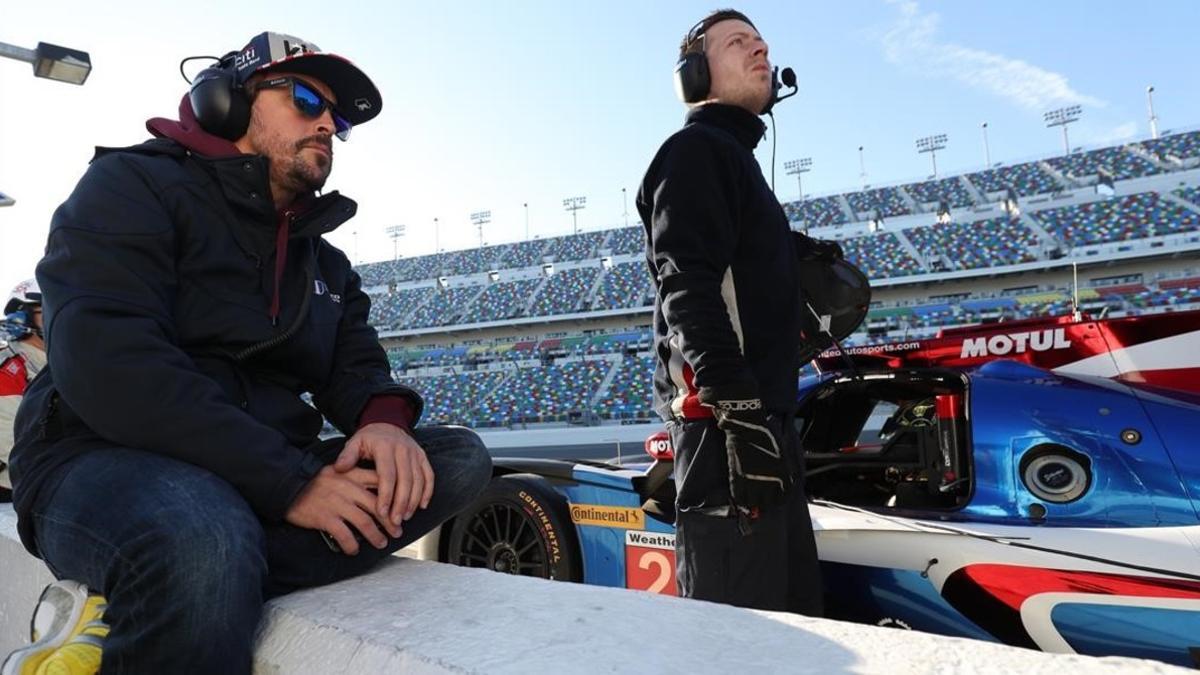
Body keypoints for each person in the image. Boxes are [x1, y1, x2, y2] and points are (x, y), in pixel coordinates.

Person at [4, 31, 491, 674]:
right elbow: (112, 365)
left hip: (249, 470)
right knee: (201, 535)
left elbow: (356, 365)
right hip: (98, 452)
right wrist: (290, 485)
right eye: (306, 97)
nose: (326, 123)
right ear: (225, 103)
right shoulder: (128, 185)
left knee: (453, 460)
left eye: (338, 119)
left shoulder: (326, 262)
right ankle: (181, 574)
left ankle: (147, 598)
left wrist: (383, 423)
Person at [635, 9, 823, 614]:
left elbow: (735, 267)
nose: (760, 50)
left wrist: (796, 254)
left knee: (792, 621)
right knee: (735, 634)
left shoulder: (734, 161)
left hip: (760, 422)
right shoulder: (696, 151)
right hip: (726, 425)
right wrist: (736, 410)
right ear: (694, 76)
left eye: (763, 42)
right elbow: (687, 283)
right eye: (738, 42)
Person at [1, 278, 47, 503]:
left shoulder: (63, 363)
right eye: (47, 310)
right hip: (16, 487)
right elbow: (12, 445)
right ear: (23, 319)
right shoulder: (9, 369)